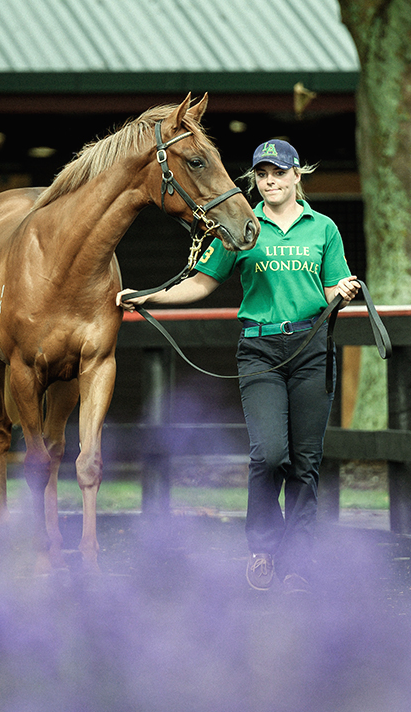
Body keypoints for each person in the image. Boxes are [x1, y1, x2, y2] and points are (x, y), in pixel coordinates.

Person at [117, 138, 359, 593]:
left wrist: (342, 291)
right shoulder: (242, 224)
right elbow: (203, 282)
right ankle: (264, 547)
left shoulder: (322, 228)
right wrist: (151, 297)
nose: (270, 182)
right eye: (263, 175)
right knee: (269, 455)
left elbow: (329, 291)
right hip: (260, 351)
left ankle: (299, 560)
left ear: (296, 176)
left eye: (279, 173)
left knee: (306, 462)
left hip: (310, 349)